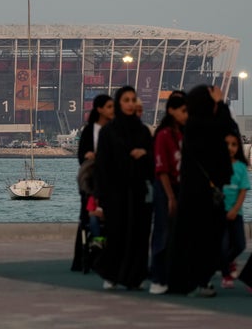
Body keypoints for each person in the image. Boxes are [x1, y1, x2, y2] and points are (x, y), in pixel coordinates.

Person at [167, 85, 236, 297]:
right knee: (206, 239)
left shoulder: (193, 126)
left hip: (195, 194)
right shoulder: (200, 125)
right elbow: (228, 126)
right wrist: (221, 103)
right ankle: (199, 280)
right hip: (204, 195)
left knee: (194, 239)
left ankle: (190, 280)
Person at [93, 86, 154, 290]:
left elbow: (154, 161)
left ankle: (134, 277)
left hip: (138, 191)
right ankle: (111, 274)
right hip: (115, 193)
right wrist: (101, 196)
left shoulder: (143, 131)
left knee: (139, 235)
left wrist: (143, 154)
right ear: (119, 103)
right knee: (116, 233)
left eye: (132, 99)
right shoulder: (108, 132)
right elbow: (101, 165)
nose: (130, 104)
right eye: (126, 100)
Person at [148, 91, 187, 295]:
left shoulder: (184, 134)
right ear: (171, 110)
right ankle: (158, 277)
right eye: (183, 111)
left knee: (179, 236)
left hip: (181, 188)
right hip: (165, 189)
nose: (186, 115)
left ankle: (176, 277)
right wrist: (171, 197)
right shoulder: (163, 135)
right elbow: (161, 170)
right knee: (162, 233)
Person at [71, 94, 113, 272]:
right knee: (85, 217)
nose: (113, 110)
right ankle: (81, 258)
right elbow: (82, 156)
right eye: (109, 106)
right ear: (100, 109)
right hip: (92, 180)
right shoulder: (89, 130)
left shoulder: (114, 129)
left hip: (112, 179)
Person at [219, 130, 249, 289]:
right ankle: (225, 274)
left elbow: (244, 189)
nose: (230, 148)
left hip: (236, 213)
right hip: (219, 213)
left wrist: (235, 209)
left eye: (234, 144)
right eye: (227, 144)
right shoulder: (216, 165)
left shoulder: (241, 167)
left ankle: (225, 263)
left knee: (240, 244)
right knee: (222, 246)